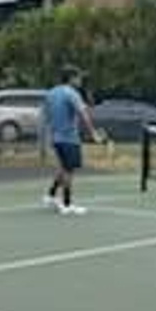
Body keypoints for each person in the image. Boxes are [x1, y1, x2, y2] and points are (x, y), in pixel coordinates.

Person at [42, 66, 101, 215]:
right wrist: (93, 133)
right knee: (69, 171)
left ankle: (50, 195)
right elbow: (83, 114)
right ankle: (67, 204)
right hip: (68, 138)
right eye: (78, 77)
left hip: (55, 138)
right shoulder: (72, 93)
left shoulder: (51, 93)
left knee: (63, 168)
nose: (80, 80)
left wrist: (48, 136)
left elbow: (46, 116)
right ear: (71, 78)